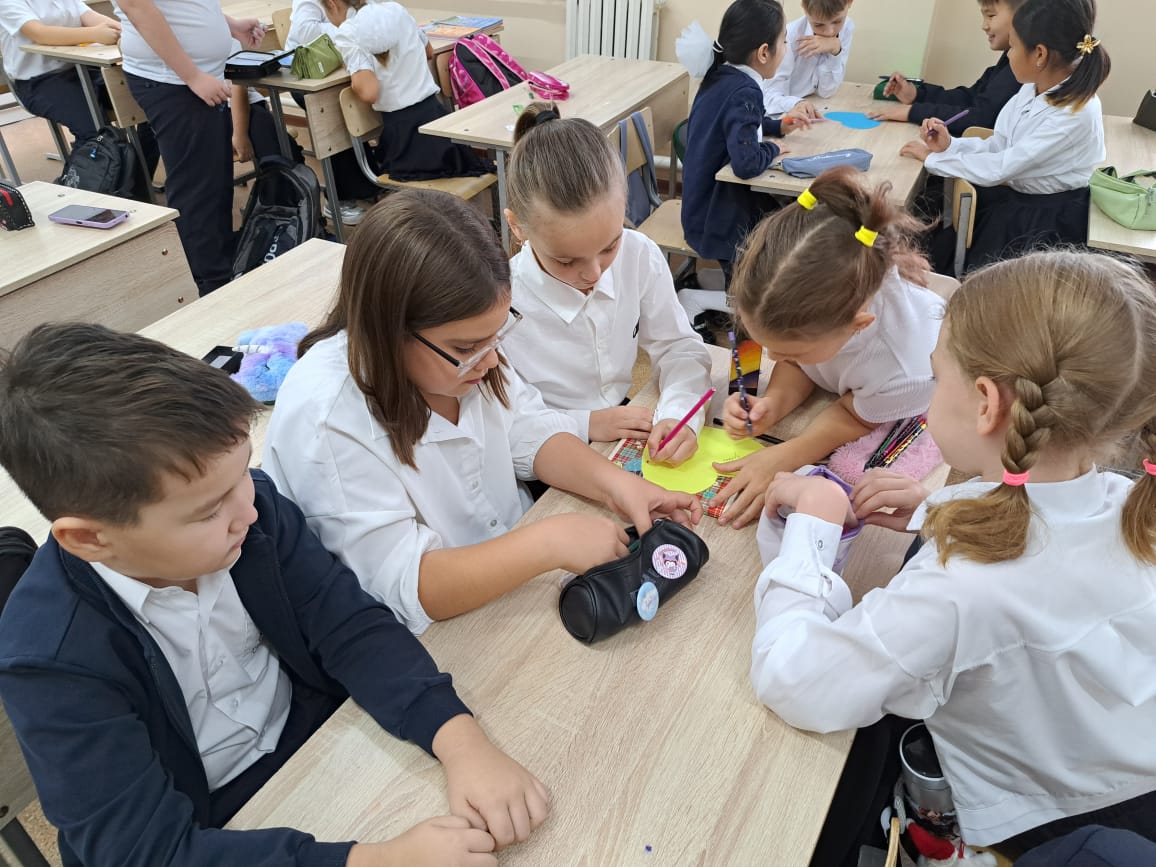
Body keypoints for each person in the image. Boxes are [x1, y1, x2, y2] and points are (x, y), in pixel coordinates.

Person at [0, 322, 551, 867]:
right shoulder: (49, 658)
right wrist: (377, 862)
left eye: (243, 472)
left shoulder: (251, 510)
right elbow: (144, 852)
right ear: (90, 539)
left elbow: (350, 628)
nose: (246, 508)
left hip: (325, 743)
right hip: (218, 829)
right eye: (208, 511)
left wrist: (461, 742)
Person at [750, 250, 1156, 864]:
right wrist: (939, 508)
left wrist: (812, 524)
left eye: (938, 377)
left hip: (1040, 826)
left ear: (987, 403)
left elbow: (795, 682)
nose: (932, 389)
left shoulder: (960, 590)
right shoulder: (1128, 503)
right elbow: (1051, 557)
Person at [263, 190, 701, 635]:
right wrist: (547, 542)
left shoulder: (465, 353)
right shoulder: (327, 419)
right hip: (441, 630)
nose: (491, 360)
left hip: (510, 584)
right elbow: (404, 585)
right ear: (389, 329)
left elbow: (528, 427)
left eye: (497, 335)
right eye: (467, 347)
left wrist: (619, 486)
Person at [715, 166, 941, 529]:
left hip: (905, 405)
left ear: (857, 325)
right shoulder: (826, 311)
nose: (771, 358)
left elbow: (854, 416)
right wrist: (774, 403)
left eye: (790, 352)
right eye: (769, 347)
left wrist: (786, 456)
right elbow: (803, 365)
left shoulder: (905, 370)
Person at [500, 104, 712, 464]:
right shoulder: (501, 303)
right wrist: (584, 423)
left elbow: (679, 347)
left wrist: (680, 413)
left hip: (617, 424)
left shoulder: (638, 254)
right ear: (517, 228)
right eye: (566, 261)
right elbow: (507, 422)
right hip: (548, 450)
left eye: (609, 246)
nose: (595, 273)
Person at [899, 0, 1109, 272]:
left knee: (985, 278)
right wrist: (950, 145)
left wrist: (932, 159)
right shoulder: (1032, 87)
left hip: (1046, 222)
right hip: (1019, 201)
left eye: (1013, 47)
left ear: (1040, 54)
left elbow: (1002, 167)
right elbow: (1000, 144)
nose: (1008, 56)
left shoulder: (1076, 113)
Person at [116, 0, 265, 294]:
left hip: (195, 77)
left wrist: (229, 25)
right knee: (199, 191)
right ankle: (212, 286)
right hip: (174, 80)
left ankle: (220, 274)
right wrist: (192, 76)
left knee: (214, 183)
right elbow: (137, 6)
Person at [677, 0, 799, 281]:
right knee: (785, 229)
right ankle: (737, 305)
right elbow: (746, 163)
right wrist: (772, 147)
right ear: (764, 53)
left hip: (701, 209)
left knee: (782, 219)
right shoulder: (745, 90)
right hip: (720, 220)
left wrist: (778, 126)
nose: (786, 48)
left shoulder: (722, 75)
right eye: (784, 41)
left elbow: (737, 125)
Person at [324, 0, 491, 181]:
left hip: (405, 137)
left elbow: (369, 92)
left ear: (332, 4)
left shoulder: (348, 31)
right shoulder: (396, 9)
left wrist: (354, 75)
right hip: (436, 122)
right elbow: (429, 53)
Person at [284, 0, 382, 226]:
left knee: (362, 110)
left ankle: (368, 183)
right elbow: (303, 30)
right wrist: (348, 28)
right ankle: (339, 199)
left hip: (343, 67)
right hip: (309, 74)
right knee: (333, 119)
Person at [868, 0, 1022, 135]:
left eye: (991, 16)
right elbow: (969, 98)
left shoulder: (1019, 73)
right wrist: (917, 95)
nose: (984, 26)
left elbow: (980, 118)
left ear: (1023, 16)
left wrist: (913, 112)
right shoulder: (1006, 62)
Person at [0, 0, 121, 142]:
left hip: (82, 69)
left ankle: (133, 154)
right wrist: (94, 34)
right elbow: (40, 33)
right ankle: (94, 154)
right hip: (40, 81)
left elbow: (90, 16)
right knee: (96, 133)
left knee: (138, 97)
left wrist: (126, 31)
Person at [760, 0, 854, 122]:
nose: (830, 31)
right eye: (819, 25)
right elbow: (769, 97)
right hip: (778, 116)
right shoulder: (788, 37)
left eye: (837, 21)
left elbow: (827, 91)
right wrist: (796, 103)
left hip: (807, 107)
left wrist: (835, 50)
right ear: (804, 8)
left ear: (850, 2)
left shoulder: (847, 27)